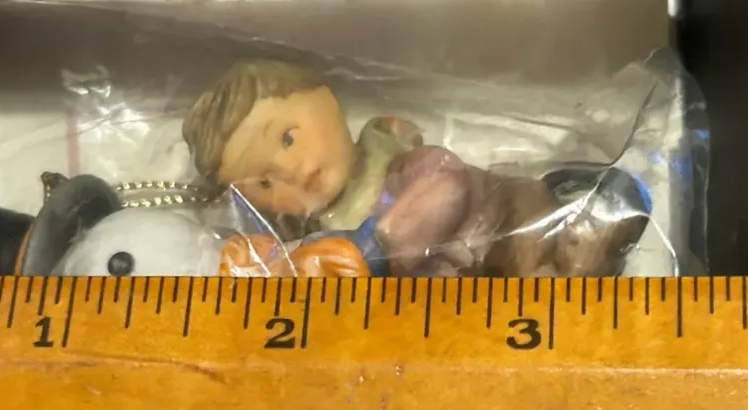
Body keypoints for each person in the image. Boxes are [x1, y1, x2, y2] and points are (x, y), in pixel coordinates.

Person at [182, 59, 648, 277]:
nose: (292, 170)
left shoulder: (395, 159)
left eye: (287, 138)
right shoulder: (319, 239)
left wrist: (374, 244)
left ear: (325, 100)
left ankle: (593, 229)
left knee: (546, 246)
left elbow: (446, 188)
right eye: (265, 182)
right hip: (465, 294)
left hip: (500, 218)